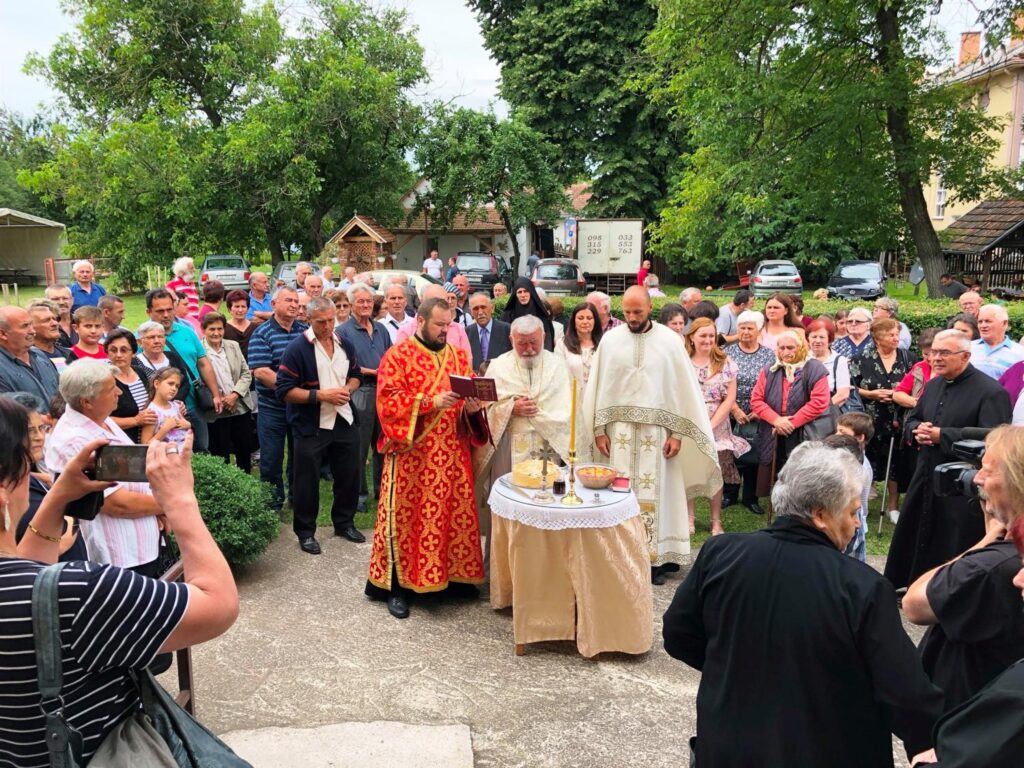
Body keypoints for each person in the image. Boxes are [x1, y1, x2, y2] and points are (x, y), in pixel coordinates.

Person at [662, 442, 944, 768]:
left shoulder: (721, 554)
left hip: (728, 745)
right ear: (821, 515)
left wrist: (735, 668)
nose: (857, 524)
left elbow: (679, 634)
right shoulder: (862, 588)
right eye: (853, 512)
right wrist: (935, 738)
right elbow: (906, 693)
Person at [0, 403, 239, 768]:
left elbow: (29, 588)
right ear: (5, 487)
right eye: (25, 464)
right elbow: (218, 605)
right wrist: (179, 500)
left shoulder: (29, 590)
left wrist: (59, 496)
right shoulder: (80, 592)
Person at [581, 286, 721, 581]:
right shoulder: (611, 340)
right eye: (627, 312)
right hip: (618, 434)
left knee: (660, 495)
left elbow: (680, 389)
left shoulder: (670, 341)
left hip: (658, 436)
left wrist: (677, 434)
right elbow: (599, 386)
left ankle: (656, 559)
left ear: (649, 309)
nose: (632, 317)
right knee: (619, 495)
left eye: (637, 312)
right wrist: (599, 431)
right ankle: (619, 556)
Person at [365, 298, 489, 619]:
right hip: (412, 458)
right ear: (420, 321)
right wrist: (430, 402)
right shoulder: (398, 356)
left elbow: (466, 401)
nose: (445, 330)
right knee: (407, 522)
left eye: (448, 324)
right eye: (439, 325)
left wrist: (472, 409)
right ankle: (398, 587)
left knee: (450, 519)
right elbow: (388, 403)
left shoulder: (459, 357)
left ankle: (452, 579)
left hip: (451, 456)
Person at [902, 425, 1024, 712]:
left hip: (962, 712)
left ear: (1015, 483)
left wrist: (986, 541)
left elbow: (913, 605)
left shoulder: (988, 567)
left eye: (987, 471)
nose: (976, 478)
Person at [885, 330, 1012, 589]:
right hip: (926, 473)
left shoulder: (990, 392)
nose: (936, 358)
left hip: (962, 484)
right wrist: (917, 430)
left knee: (952, 538)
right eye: (933, 352)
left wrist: (943, 435)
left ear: (965, 356)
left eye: (944, 353)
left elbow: (994, 436)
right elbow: (914, 418)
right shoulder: (934, 385)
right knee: (916, 532)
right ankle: (912, 585)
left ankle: (948, 590)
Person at [46, 359, 165, 573]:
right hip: (120, 555)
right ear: (87, 402)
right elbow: (117, 504)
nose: (119, 392)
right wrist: (169, 505)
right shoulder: (75, 440)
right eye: (111, 388)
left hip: (142, 545)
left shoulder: (101, 418)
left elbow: (133, 471)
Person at [473, 316, 572, 557]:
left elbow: (569, 409)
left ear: (544, 337)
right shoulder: (498, 366)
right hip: (508, 447)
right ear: (511, 339)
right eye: (522, 343)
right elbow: (485, 408)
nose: (529, 349)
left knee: (547, 507)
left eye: (534, 342)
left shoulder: (558, 366)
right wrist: (510, 408)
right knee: (508, 509)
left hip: (548, 448)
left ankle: (546, 566)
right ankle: (504, 569)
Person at [277, 296, 363, 554]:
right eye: (321, 322)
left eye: (330, 320)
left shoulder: (344, 343)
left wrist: (348, 389)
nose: (327, 326)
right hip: (310, 425)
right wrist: (321, 396)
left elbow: (356, 375)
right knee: (306, 481)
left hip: (344, 419)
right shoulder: (297, 349)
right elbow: (284, 390)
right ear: (308, 319)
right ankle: (305, 532)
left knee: (349, 475)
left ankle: (344, 523)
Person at [2, 392, 87, 561]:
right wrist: (66, 510)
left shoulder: (33, 479)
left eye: (41, 428)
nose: (39, 437)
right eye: (30, 431)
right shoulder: (12, 490)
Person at [684, 318, 749, 538]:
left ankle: (716, 520)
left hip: (717, 423)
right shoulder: (683, 361)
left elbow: (729, 398)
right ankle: (689, 517)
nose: (707, 340)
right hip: (690, 420)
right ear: (692, 337)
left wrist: (710, 426)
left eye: (711, 336)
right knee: (689, 469)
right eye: (703, 335)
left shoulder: (725, 362)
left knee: (715, 471)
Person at [750, 330, 831, 496]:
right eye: (782, 348)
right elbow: (756, 400)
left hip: (804, 431)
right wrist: (777, 420)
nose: (786, 352)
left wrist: (789, 424)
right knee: (775, 473)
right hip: (773, 429)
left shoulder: (815, 368)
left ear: (800, 348)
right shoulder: (770, 369)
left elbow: (819, 402)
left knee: (801, 475)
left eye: (790, 348)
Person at [248, 285, 307, 513]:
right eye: (289, 300)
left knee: (299, 456)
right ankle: (273, 504)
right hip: (272, 408)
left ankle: (297, 497)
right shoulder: (262, 333)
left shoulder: (305, 331)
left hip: (300, 407)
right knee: (272, 458)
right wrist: (291, 391)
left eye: (296, 301)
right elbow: (262, 371)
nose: (294, 305)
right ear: (274, 304)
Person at [144, 288, 223, 451]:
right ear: (149, 311)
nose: (166, 315)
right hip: (162, 412)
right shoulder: (143, 339)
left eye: (169, 309)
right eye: (160, 311)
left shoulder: (188, 332)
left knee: (201, 448)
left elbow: (203, 363)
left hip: (193, 403)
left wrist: (215, 394)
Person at [338, 284, 392, 513]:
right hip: (360, 391)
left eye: (369, 301)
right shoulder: (342, 331)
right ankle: (359, 494)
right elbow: (343, 365)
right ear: (351, 305)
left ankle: (383, 490)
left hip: (383, 392)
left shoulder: (381, 328)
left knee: (383, 444)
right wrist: (372, 372)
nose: (366, 305)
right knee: (359, 448)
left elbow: (390, 356)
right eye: (360, 301)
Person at [854, 318, 916, 518]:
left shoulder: (908, 358)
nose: (896, 338)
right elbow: (851, 387)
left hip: (899, 417)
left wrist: (901, 395)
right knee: (864, 459)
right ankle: (858, 503)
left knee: (895, 461)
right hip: (870, 419)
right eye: (891, 335)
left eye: (897, 334)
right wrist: (870, 394)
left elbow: (918, 385)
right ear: (877, 337)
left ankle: (893, 506)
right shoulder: (860, 358)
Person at [724, 310, 775, 514]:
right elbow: (721, 383)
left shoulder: (769, 355)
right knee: (729, 453)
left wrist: (758, 410)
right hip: (729, 410)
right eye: (742, 327)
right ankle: (729, 493)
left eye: (749, 328)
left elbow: (772, 385)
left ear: (759, 330)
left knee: (754, 453)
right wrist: (735, 409)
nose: (745, 331)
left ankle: (750, 497)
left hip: (758, 412)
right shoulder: (727, 353)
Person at [201, 312, 253, 473]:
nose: (216, 333)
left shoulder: (233, 346)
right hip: (216, 411)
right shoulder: (199, 350)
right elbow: (199, 380)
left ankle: (245, 482)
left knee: (244, 450)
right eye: (212, 329)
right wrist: (222, 399)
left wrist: (234, 395)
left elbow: (246, 373)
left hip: (239, 407)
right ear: (204, 330)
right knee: (220, 454)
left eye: (220, 329)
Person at [0, 306, 60, 407]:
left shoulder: (40, 355)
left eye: (31, 324)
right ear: (3, 334)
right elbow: (7, 411)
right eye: (25, 326)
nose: (33, 331)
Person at [836, 411, 875, 562]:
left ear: (860, 437)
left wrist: (861, 517)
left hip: (853, 520)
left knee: (851, 561)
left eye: (842, 432)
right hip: (850, 518)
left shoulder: (861, 466)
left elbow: (861, 500)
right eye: (837, 430)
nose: (837, 435)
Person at [395, 284, 472, 359]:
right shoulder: (405, 331)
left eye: (443, 303)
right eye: (434, 303)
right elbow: (400, 361)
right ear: (422, 302)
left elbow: (467, 361)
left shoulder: (458, 329)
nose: (439, 307)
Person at [105, 329, 154, 444]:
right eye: (113, 350)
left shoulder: (140, 372)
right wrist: (135, 420)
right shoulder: (104, 379)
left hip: (148, 441)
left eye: (124, 350)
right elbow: (100, 419)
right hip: (122, 445)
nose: (118, 355)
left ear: (133, 353)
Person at [134, 320, 191, 409]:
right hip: (150, 411)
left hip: (176, 409)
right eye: (151, 337)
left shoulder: (172, 357)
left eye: (160, 337)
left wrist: (174, 403)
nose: (157, 341)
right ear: (140, 342)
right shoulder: (135, 363)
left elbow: (184, 383)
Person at [807, 318, 852, 411]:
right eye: (814, 337)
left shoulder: (839, 361)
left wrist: (819, 411)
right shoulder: (803, 359)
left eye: (822, 337)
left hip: (829, 411)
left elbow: (843, 394)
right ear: (808, 339)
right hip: (804, 411)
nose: (817, 340)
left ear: (829, 340)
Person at [501, 277, 556, 351]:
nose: (523, 295)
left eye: (526, 291)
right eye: (519, 292)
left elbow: (547, 342)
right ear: (515, 294)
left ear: (531, 293)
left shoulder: (541, 314)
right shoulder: (507, 315)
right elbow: (503, 341)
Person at [970, 304, 1023, 380]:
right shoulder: (968, 347)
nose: (983, 325)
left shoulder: (1020, 353)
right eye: (980, 322)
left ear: (1004, 323)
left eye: (988, 321)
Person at [554, 302, 602, 385]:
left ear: (595, 321)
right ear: (574, 321)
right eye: (580, 318)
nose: (585, 322)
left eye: (589, 318)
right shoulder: (562, 344)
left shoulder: (603, 343)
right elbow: (557, 374)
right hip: (571, 391)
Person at [140, 368, 191, 445]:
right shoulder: (152, 412)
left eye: (177, 386)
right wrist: (165, 429)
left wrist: (188, 425)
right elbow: (145, 444)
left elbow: (184, 432)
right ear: (157, 384)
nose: (174, 388)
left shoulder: (177, 406)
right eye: (170, 384)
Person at [894, 328, 940, 410]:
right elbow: (897, 394)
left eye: (933, 353)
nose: (929, 358)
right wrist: (916, 403)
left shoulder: (950, 371)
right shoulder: (919, 367)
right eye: (925, 354)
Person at [467, 291, 512, 374]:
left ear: (492, 308)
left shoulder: (507, 330)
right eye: (476, 309)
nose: (480, 312)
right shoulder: (466, 333)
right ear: (471, 312)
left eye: (483, 307)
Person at [27, 299, 72, 371]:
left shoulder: (69, 354)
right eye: (46, 320)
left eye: (54, 319)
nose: (55, 323)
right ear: (31, 327)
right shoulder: (27, 359)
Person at [223, 288, 260, 357]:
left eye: (243, 306)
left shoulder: (256, 329)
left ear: (247, 308)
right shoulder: (223, 329)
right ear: (229, 309)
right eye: (237, 306)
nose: (240, 310)